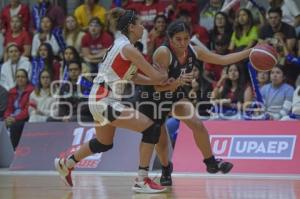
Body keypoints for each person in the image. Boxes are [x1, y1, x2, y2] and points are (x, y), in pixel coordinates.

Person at [54, 8, 168, 193]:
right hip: (105, 99)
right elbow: (157, 76)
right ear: (131, 27)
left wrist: (156, 79)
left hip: (99, 97)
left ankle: (66, 163)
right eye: (140, 24)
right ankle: (141, 180)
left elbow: (133, 77)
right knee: (152, 128)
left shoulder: (121, 44)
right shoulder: (129, 49)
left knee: (103, 143)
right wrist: (163, 73)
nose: (142, 27)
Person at [134, 19, 253, 186]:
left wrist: (250, 52)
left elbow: (223, 59)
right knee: (160, 139)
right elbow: (157, 86)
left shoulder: (194, 51)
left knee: (197, 123)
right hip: (154, 97)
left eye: (186, 38)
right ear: (169, 38)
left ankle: (211, 162)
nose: (183, 43)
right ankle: (166, 168)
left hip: (174, 94)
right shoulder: (162, 53)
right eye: (178, 39)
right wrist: (178, 81)